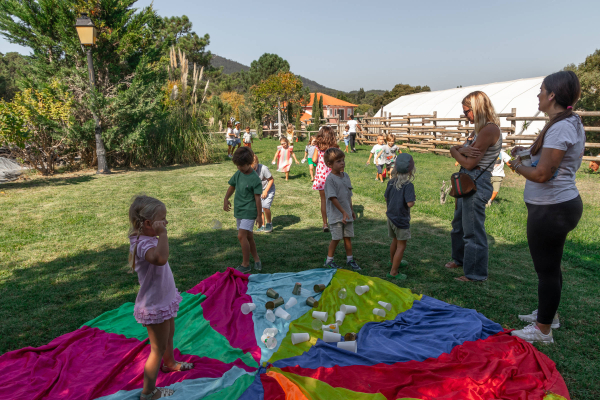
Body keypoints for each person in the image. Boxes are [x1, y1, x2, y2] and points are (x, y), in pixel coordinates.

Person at [508, 71, 584, 344]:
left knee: (547, 270)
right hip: (556, 205)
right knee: (551, 266)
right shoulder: (564, 121)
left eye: (541, 91)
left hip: (552, 208)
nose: (537, 95)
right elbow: (549, 160)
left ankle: (542, 330)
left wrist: (516, 165)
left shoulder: (562, 126)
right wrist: (525, 154)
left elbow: (543, 174)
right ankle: (549, 316)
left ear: (552, 95)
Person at [128, 195, 193, 400]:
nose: (166, 223)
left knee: (169, 334)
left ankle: (170, 363)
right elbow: (160, 259)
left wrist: (160, 234)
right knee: (157, 348)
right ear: (148, 223)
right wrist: (163, 234)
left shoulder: (148, 238)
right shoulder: (142, 244)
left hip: (163, 299)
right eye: (162, 220)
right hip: (155, 304)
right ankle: (148, 393)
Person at [447, 91, 502, 282]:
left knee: (472, 231)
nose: (465, 116)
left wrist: (455, 151)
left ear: (477, 109)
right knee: (458, 226)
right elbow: (461, 151)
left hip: (476, 182)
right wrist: (457, 150)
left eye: (467, 112)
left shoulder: (488, 130)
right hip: (466, 180)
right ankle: (460, 259)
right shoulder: (478, 130)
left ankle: (475, 274)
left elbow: (469, 163)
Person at [223, 147, 263, 273]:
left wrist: (259, 216)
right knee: (248, 237)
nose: (239, 168)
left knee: (241, 236)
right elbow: (232, 186)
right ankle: (256, 259)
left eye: (242, 165)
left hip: (249, 212)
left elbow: (258, 199)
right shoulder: (238, 173)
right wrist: (226, 198)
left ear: (249, 163)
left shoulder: (255, 179)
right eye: (237, 165)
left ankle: (246, 264)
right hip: (239, 210)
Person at [323, 147, 361, 271]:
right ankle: (329, 261)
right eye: (338, 161)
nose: (342, 163)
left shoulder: (346, 176)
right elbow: (333, 198)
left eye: (343, 160)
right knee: (336, 238)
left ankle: (350, 259)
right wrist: (343, 212)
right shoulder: (330, 180)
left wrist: (350, 210)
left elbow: (348, 195)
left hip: (347, 214)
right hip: (336, 215)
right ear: (330, 164)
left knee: (348, 237)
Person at [385, 154, 416, 280]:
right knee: (401, 245)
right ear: (410, 170)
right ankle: (394, 272)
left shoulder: (391, 182)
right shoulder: (408, 185)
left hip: (390, 217)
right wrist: (413, 200)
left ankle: (393, 262)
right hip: (401, 220)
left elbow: (386, 197)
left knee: (394, 241)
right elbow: (410, 203)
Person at [312, 126, 339, 232]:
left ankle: (325, 223)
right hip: (334, 177)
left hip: (321, 178)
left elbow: (314, 160)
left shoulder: (318, 148)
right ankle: (336, 221)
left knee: (324, 201)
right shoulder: (336, 148)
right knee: (335, 199)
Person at [252, 154, 275, 233]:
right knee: (259, 208)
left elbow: (271, 180)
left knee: (265, 206)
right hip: (258, 190)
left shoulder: (264, 168)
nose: (253, 171)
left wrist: (266, 191)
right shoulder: (248, 170)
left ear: (257, 163)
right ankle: (262, 225)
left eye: (254, 168)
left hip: (268, 189)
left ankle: (269, 224)